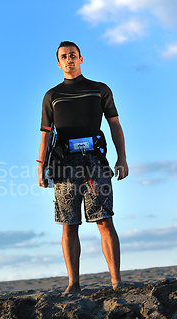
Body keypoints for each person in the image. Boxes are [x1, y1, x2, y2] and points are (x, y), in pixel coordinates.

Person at [37, 41, 128, 293]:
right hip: (63, 165)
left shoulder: (99, 90)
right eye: (64, 57)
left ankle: (116, 281)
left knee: (104, 220)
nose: (69, 59)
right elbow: (45, 134)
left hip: (95, 163)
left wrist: (122, 158)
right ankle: (73, 284)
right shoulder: (51, 96)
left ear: (81, 59)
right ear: (58, 63)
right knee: (69, 224)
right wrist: (41, 166)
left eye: (73, 55)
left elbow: (114, 125)